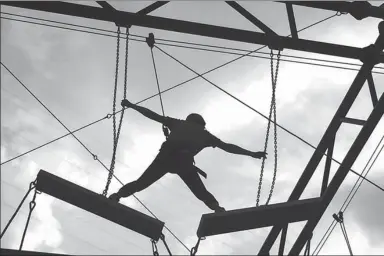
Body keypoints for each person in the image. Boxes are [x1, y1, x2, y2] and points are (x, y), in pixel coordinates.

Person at [109, 99, 267, 213]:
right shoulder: (206, 135)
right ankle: (217, 208)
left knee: (141, 183)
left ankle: (118, 195)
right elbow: (228, 147)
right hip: (183, 162)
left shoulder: (177, 123)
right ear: (202, 124)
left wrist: (131, 105)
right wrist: (252, 153)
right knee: (200, 191)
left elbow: (152, 115)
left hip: (165, 158)